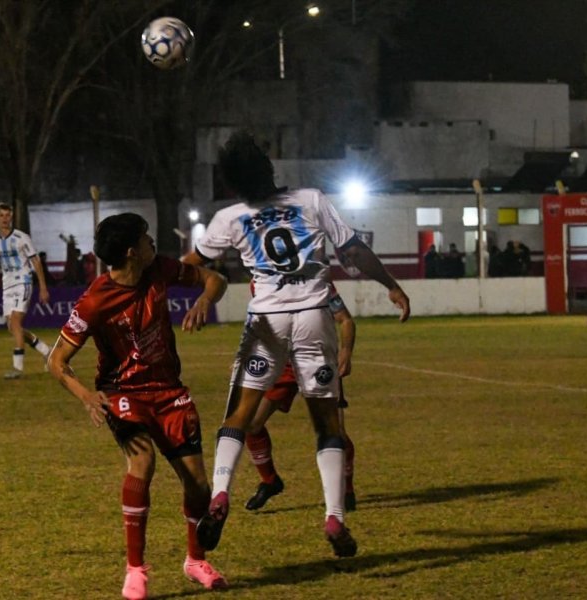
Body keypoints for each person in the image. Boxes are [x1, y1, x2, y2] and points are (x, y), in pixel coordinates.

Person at [182, 131, 409, 558]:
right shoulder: (311, 200)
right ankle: (334, 517)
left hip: (266, 320)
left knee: (239, 415)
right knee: (327, 423)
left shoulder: (229, 218)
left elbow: (192, 262)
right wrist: (390, 285)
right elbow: (355, 251)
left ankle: (220, 494)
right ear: (269, 169)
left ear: (233, 183)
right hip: (314, 316)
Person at [47, 213, 229, 599]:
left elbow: (217, 279)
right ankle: (135, 570)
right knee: (142, 462)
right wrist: (86, 396)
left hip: (168, 391)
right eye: (147, 238)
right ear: (132, 252)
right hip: (122, 392)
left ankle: (195, 561)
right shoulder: (95, 301)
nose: (153, 243)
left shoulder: (159, 269)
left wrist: (203, 302)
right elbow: (56, 361)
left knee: (198, 485)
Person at [245, 281, 357, 512]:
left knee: (334, 433)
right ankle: (270, 481)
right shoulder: (259, 281)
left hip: (318, 361)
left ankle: (346, 490)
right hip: (281, 364)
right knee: (250, 424)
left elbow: (345, 319)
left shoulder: (318, 279)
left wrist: (345, 351)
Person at [0, 202, 52, 379]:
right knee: (13, 327)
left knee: (15, 323)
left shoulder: (22, 238)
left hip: (24, 282)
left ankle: (18, 368)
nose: (5, 219)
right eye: (1, 215)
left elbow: (36, 262)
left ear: (11, 217)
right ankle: (47, 351)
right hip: (8, 285)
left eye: (7, 215)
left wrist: (43, 287)